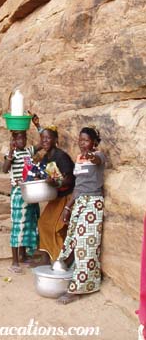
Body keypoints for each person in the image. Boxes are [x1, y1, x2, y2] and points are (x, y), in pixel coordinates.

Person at [56, 126, 106, 304]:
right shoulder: (79, 159)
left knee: (86, 245)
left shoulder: (99, 156)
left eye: (86, 141)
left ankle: (77, 289)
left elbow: (96, 160)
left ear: (93, 142)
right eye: (80, 141)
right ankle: (84, 280)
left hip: (93, 204)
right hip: (80, 203)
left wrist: (90, 154)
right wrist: (68, 208)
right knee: (75, 241)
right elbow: (78, 187)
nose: (82, 144)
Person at [34, 124, 75, 265]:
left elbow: (69, 178)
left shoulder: (61, 156)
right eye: (42, 138)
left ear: (55, 140)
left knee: (55, 227)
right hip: (56, 197)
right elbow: (44, 173)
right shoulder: (46, 158)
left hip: (67, 197)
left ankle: (59, 259)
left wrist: (57, 183)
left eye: (48, 138)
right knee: (43, 223)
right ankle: (46, 258)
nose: (44, 141)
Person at [3, 124, 41, 273]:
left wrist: (39, 126)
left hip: (30, 191)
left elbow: (42, 145)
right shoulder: (11, 154)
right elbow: (5, 168)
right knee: (18, 226)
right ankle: (14, 262)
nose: (22, 141)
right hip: (19, 192)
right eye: (19, 138)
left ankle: (24, 256)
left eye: (24, 138)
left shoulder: (27, 151)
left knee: (30, 224)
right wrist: (11, 152)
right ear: (13, 140)